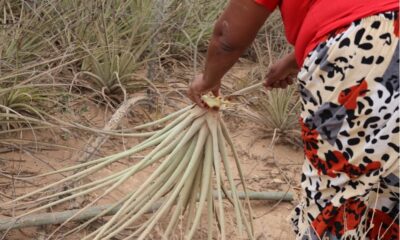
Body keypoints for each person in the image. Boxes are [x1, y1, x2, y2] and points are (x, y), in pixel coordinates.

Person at [187, 0, 399, 239]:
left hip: (362, 49)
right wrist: (294, 60)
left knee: (339, 189)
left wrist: (208, 80)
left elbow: (228, 35)